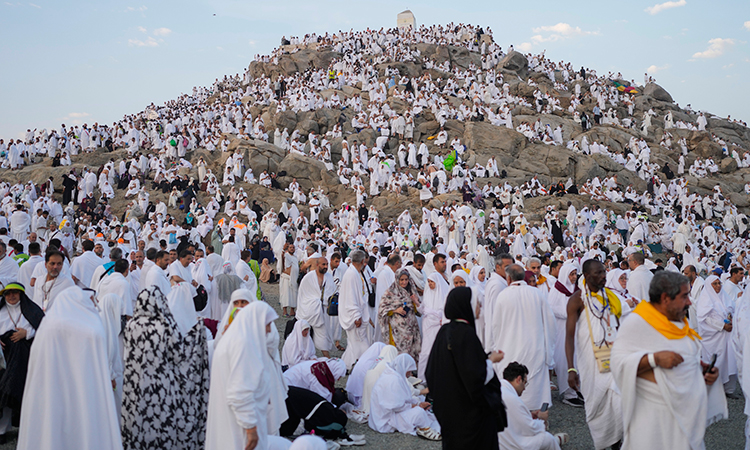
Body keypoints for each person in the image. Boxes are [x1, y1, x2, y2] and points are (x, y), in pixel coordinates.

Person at [611, 271, 726, 449]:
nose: (690, 302)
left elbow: (685, 361)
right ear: (665, 298)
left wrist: (702, 372)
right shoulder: (637, 323)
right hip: (653, 422)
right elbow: (617, 364)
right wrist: (653, 359)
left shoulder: (679, 323)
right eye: (684, 296)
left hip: (685, 422)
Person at [17, 286, 123, 450]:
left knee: (52, 428)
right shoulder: (89, 328)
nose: (95, 305)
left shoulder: (48, 326)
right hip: (85, 389)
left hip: (52, 389)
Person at [121, 286, 209, 449]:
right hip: (159, 386)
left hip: (134, 383)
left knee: (137, 418)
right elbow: (179, 354)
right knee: (158, 420)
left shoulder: (131, 325)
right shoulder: (164, 325)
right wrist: (197, 334)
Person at [426, 286, 507, 450]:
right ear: (466, 305)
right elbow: (475, 376)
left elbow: (432, 372)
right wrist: (490, 361)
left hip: (449, 412)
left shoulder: (444, 331)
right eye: (477, 303)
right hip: (469, 415)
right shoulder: (466, 334)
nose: (480, 307)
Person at [205, 301, 290, 450]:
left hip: (232, 419)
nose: (270, 330)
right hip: (239, 425)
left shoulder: (234, 339)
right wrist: (251, 428)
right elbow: (239, 392)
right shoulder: (242, 344)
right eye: (267, 324)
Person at [565, 259, 625, 449]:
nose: (603, 276)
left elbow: (620, 325)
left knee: (618, 403)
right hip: (590, 362)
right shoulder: (577, 300)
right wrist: (571, 369)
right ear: (587, 276)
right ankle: (604, 442)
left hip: (613, 358)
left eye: (604, 272)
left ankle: (617, 444)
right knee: (596, 407)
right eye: (598, 273)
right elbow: (569, 336)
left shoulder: (610, 297)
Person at [487, 264, 555, 412]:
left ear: (508, 278)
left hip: (509, 349)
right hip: (535, 348)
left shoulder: (503, 296)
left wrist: (493, 348)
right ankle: (539, 420)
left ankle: (515, 420)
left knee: (513, 388)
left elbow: (495, 326)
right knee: (535, 390)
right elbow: (550, 323)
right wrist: (548, 349)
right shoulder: (537, 294)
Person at [0, 283, 43, 443]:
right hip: (3, 360)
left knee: (23, 393)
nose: (11, 296)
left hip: (26, 360)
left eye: (15, 293)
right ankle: (2, 430)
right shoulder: (1, 311)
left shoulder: (32, 311)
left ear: (21, 295)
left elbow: (44, 329)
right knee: (4, 391)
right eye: (8, 293)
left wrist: (28, 333)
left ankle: (27, 428)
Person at [369, 353, 441, 440]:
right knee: (419, 412)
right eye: (409, 371)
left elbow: (405, 398)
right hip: (385, 420)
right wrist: (417, 406)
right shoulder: (392, 380)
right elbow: (395, 406)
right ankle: (424, 429)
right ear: (403, 367)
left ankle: (425, 425)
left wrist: (418, 403)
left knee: (421, 404)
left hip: (390, 413)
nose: (410, 374)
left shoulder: (394, 375)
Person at [499, 362, 568, 450]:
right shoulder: (513, 398)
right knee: (547, 438)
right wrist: (542, 420)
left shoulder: (497, 389)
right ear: (518, 380)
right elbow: (530, 429)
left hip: (494, 441)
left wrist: (529, 415)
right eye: (525, 383)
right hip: (508, 445)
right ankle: (555, 441)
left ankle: (556, 441)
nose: (524, 388)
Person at [548, 263, 584, 407]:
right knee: (564, 361)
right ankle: (568, 393)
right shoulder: (557, 290)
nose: (574, 277)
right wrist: (572, 311)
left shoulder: (576, 291)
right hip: (562, 332)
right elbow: (554, 309)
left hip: (575, 331)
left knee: (577, 359)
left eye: (575, 274)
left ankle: (577, 389)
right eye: (571, 274)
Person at [696, 274, 738, 395]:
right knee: (717, 361)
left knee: (729, 360)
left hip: (727, 336)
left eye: (719, 283)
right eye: (715, 284)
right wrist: (722, 326)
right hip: (714, 338)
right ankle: (714, 389)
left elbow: (732, 309)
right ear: (709, 285)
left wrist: (731, 319)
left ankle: (729, 389)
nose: (718, 286)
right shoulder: (705, 299)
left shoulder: (724, 296)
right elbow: (704, 318)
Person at [378, 268, 422, 362]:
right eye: (401, 280)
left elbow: (419, 310)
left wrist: (415, 302)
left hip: (411, 326)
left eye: (406, 279)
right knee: (400, 352)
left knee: (412, 350)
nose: (404, 282)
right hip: (398, 330)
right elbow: (382, 309)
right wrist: (395, 310)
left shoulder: (412, 290)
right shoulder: (390, 292)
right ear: (397, 279)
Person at [339, 249, 373, 369]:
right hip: (355, 316)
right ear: (363, 261)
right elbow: (350, 297)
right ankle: (364, 365)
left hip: (360, 313)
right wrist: (356, 315)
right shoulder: (351, 274)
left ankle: (347, 365)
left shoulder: (355, 273)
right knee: (359, 343)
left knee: (354, 343)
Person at [296, 256, 335, 357]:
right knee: (304, 334)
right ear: (317, 265)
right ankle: (301, 356)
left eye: (327, 264)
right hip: (309, 310)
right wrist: (315, 301)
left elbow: (333, 292)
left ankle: (327, 357)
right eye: (323, 264)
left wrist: (325, 301)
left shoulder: (329, 277)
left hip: (322, 311)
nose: (326, 266)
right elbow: (302, 294)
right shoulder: (308, 277)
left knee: (323, 335)